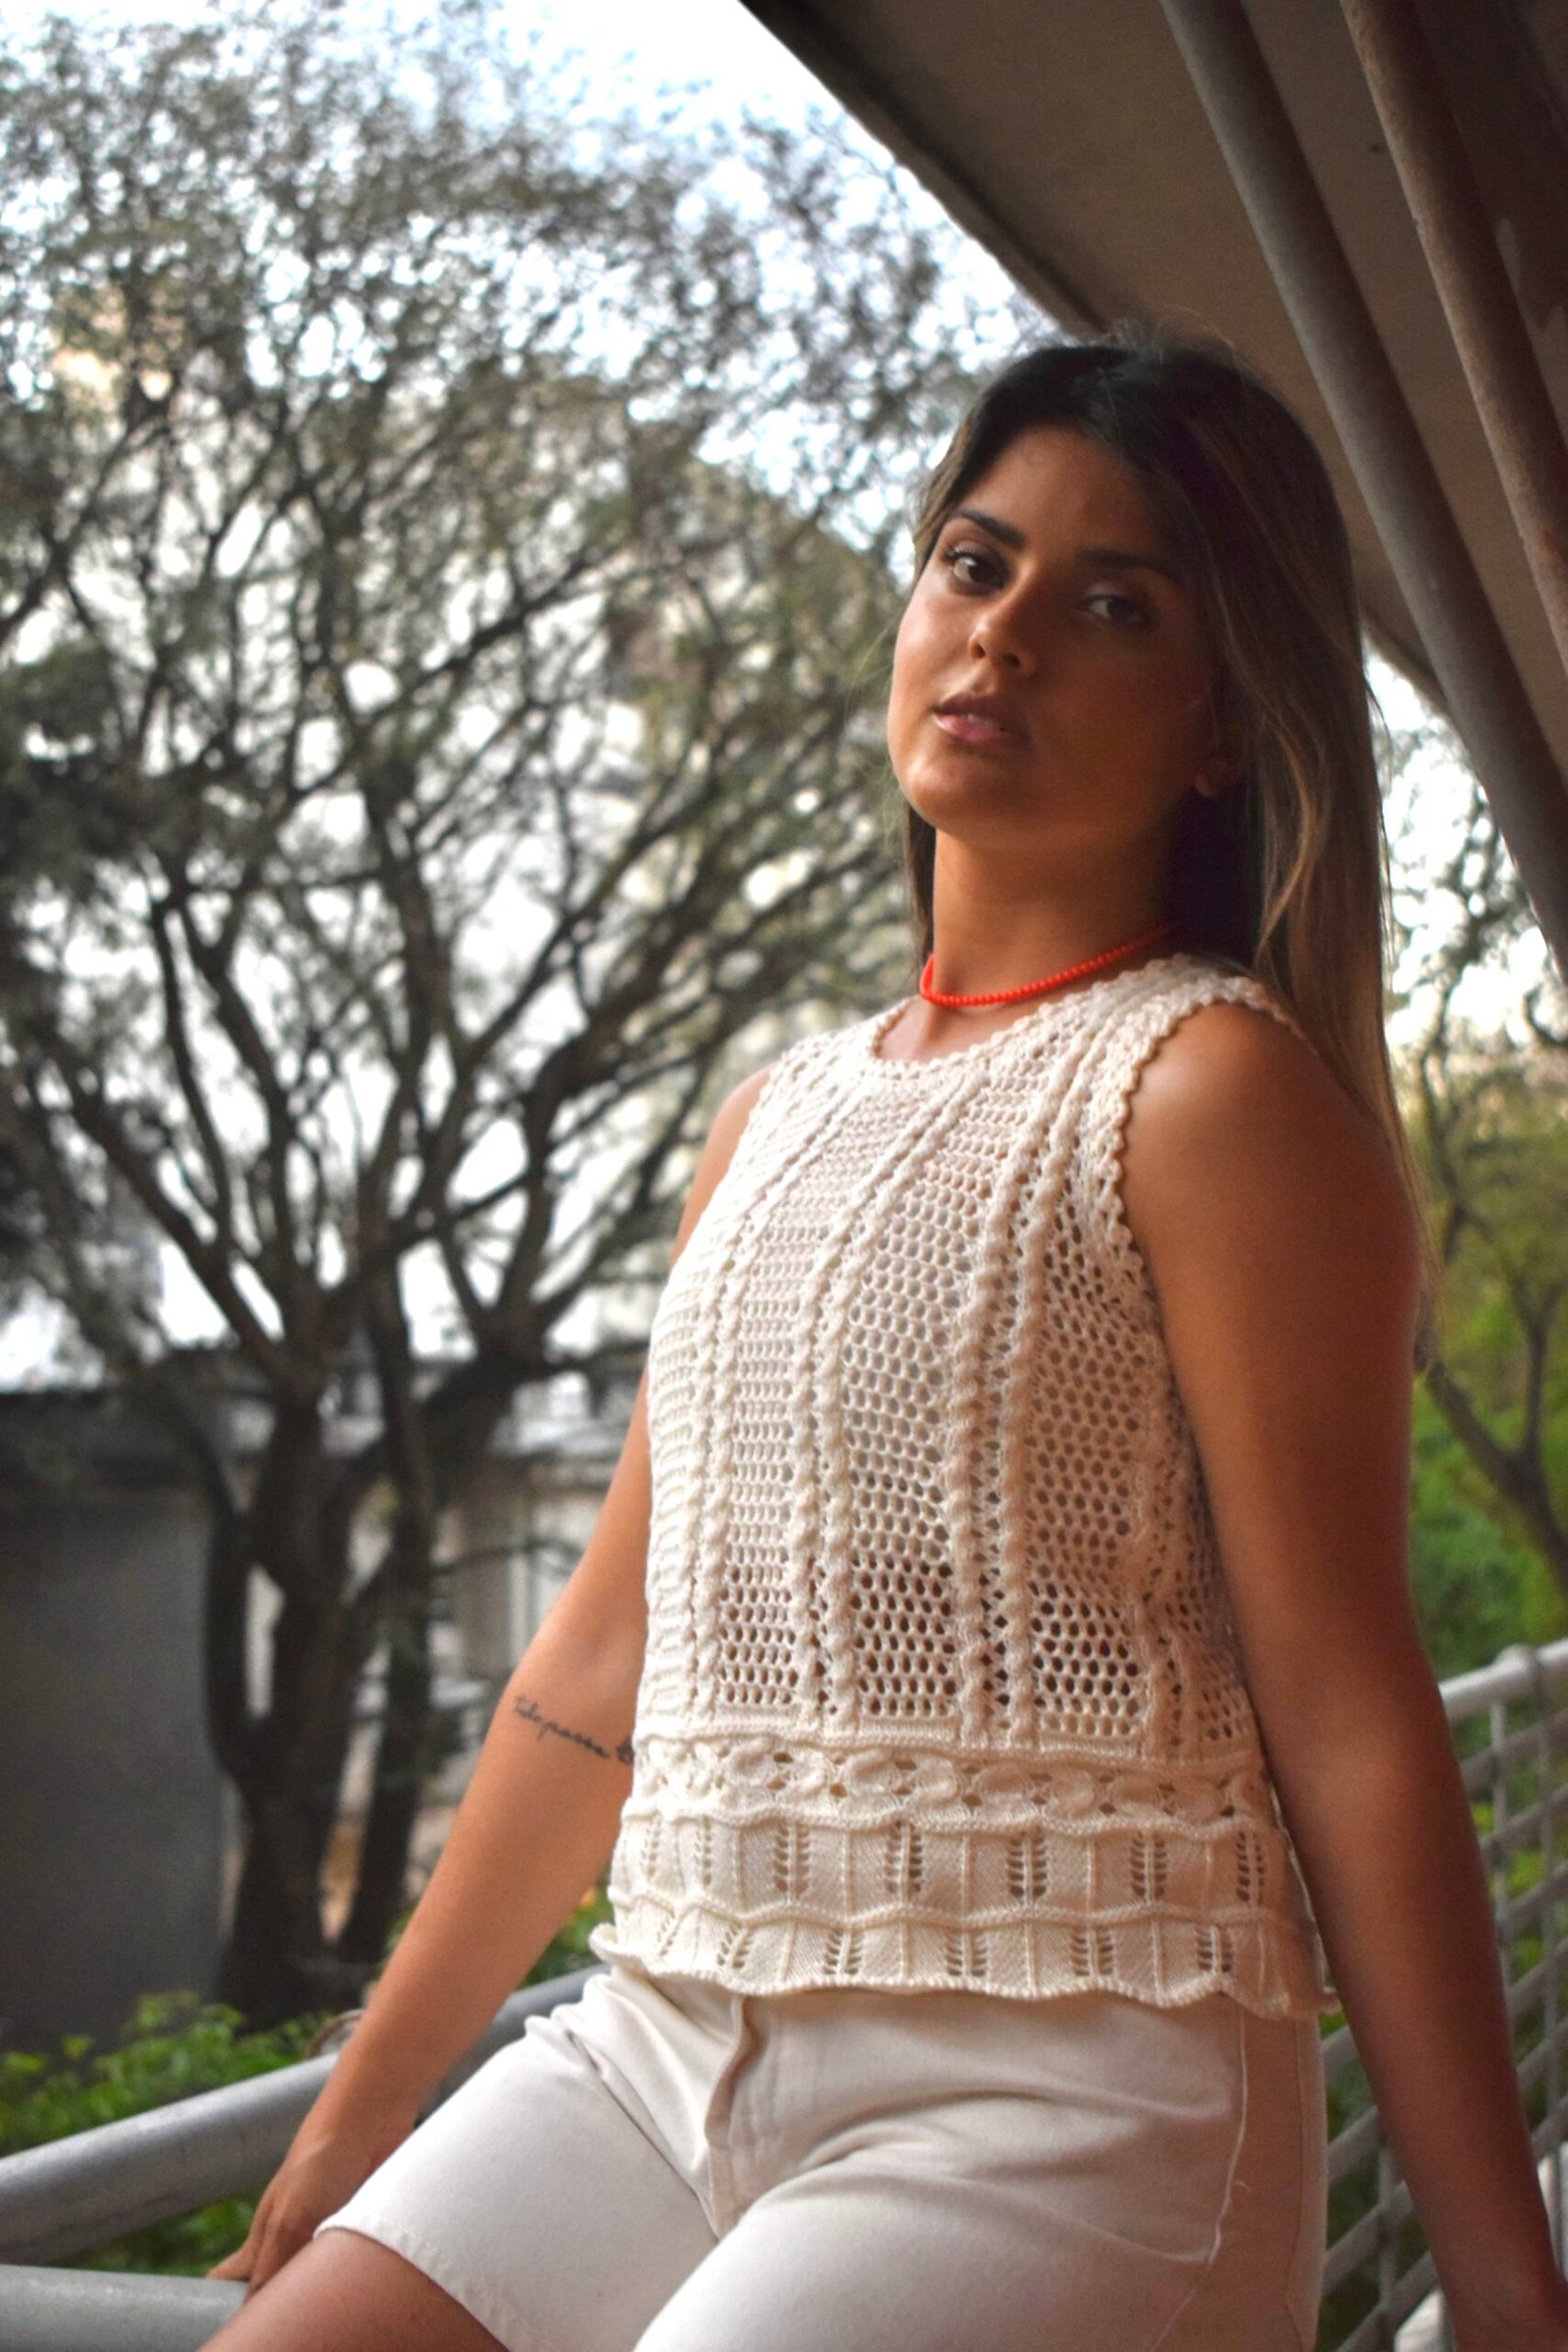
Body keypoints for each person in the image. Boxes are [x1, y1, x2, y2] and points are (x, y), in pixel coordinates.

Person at [207, 327, 1568, 2352]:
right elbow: (594, 1667)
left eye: (1110, 604)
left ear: (1219, 720)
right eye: (974, 563)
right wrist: (356, 2119)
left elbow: (1345, 1705)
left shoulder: (1207, 1090)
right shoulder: (769, 1117)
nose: (1001, 632)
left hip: (1063, 2094)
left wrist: (1503, 2288)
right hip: (659, 2041)